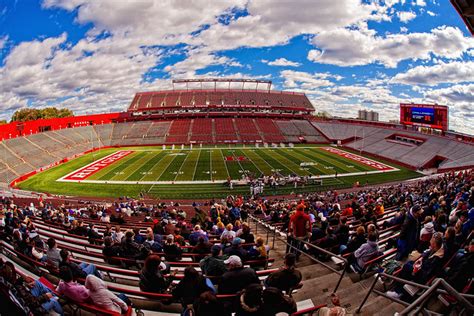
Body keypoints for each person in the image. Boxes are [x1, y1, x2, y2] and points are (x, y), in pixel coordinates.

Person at [387, 232, 445, 299]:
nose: (429, 241)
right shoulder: (437, 249)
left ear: (434, 244)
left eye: (431, 240)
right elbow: (426, 254)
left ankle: (398, 292)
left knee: (406, 267)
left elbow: (426, 274)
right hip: (421, 269)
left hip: (422, 278)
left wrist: (416, 270)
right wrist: (421, 259)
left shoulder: (436, 259)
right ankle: (398, 288)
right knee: (410, 263)